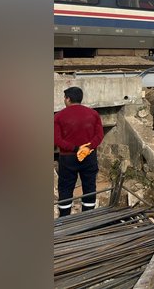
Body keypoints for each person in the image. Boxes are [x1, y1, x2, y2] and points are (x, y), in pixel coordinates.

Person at [54, 87, 104, 217]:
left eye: (65, 98)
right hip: (88, 156)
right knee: (89, 187)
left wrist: (75, 148)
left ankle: (64, 219)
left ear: (68, 99)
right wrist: (87, 147)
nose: (64, 100)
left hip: (67, 159)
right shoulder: (93, 114)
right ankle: (87, 218)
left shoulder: (58, 116)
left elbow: (57, 140)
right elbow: (99, 136)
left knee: (65, 189)